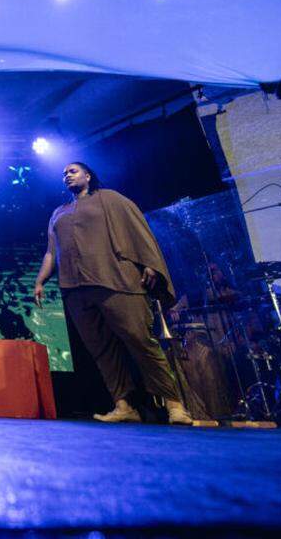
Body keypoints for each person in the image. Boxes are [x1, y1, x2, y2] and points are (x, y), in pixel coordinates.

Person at [33, 162, 193, 425]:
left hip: (115, 278)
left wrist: (149, 263)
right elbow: (52, 251)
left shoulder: (110, 198)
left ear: (88, 175)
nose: (67, 175)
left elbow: (138, 230)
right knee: (101, 349)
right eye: (64, 174)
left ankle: (175, 405)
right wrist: (40, 281)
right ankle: (123, 405)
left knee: (140, 341)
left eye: (73, 171)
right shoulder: (58, 213)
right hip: (76, 287)